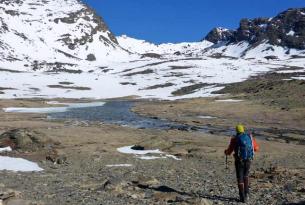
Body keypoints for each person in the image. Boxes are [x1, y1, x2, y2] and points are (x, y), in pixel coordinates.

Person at [224, 124, 259, 203]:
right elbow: (256, 148)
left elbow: (229, 151)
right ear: (243, 129)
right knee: (246, 175)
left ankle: (242, 197)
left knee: (240, 178)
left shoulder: (235, 139)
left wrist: (226, 152)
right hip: (248, 160)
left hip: (239, 161)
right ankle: (247, 194)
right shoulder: (249, 137)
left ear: (236, 130)